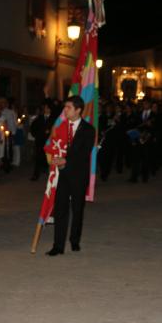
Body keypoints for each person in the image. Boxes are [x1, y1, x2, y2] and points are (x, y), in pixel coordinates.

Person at [46, 96, 96, 256]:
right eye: (65, 107)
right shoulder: (60, 127)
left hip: (78, 175)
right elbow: (53, 145)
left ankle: (75, 240)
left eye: (68, 107)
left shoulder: (88, 129)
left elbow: (83, 153)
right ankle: (58, 246)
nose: (65, 110)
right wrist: (53, 157)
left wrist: (65, 160)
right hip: (62, 175)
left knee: (77, 209)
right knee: (60, 209)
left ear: (78, 110)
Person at [29, 102, 54, 181]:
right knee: (38, 157)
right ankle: (36, 175)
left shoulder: (53, 119)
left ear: (50, 109)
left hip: (49, 141)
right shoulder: (39, 118)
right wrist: (36, 135)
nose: (45, 109)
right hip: (40, 141)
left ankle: (50, 174)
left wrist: (49, 132)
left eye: (46, 107)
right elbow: (33, 127)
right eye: (45, 107)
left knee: (49, 158)